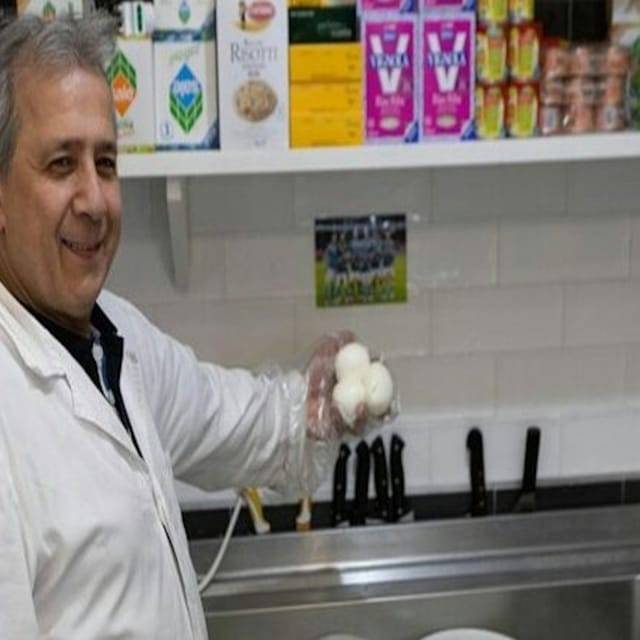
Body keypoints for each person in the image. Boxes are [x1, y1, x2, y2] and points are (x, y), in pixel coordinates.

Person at [0, 12, 365, 639]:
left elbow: (240, 424)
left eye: (106, 162)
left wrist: (316, 405)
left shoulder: (116, 339)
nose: (94, 200)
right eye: (62, 164)